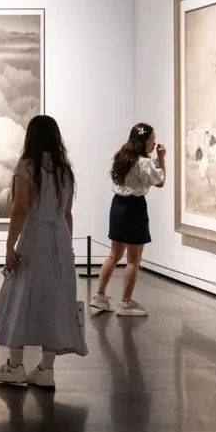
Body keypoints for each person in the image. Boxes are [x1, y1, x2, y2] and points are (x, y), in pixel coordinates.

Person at [0, 115, 84, 388]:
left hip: (34, 238)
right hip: (60, 238)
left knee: (19, 297)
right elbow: (67, 213)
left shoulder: (28, 165)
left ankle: (15, 365)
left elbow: (20, 209)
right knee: (55, 300)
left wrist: (9, 246)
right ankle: (46, 369)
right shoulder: (64, 169)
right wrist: (67, 247)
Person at [91, 122, 166, 317]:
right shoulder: (144, 162)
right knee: (134, 259)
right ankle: (125, 303)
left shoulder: (121, 156)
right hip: (134, 208)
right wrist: (161, 158)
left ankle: (100, 296)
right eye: (152, 139)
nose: (154, 143)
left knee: (113, 255)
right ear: (143, 141)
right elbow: (160, 182)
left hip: (117, 206)